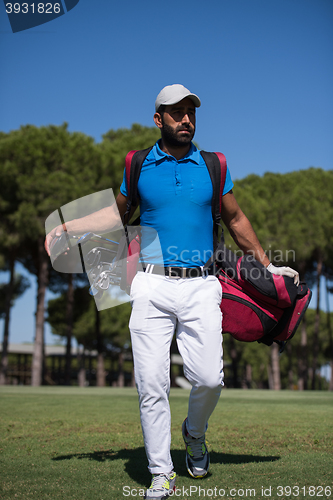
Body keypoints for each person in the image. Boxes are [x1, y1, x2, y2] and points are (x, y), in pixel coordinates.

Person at [45, 84, 299, 500]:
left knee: (210, 379)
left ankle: (193, 433)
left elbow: (235, 220)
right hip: (150, 284)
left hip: (202, 285)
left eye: (191, 112)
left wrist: (268, 266)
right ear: (158, 118)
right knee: (151, 384)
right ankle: (161, 473)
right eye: (177, 112)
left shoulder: (214, 164)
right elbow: (116, 213)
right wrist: (68, 225)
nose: (186, 119)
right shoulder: (139, 162)